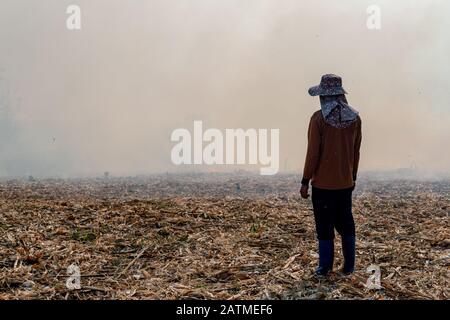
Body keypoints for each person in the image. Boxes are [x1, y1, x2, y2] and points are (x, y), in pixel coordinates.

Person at [300, 74, 362, 276]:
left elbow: (313, 153)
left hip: (323, 186)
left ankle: (324, 268)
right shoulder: (355, 119)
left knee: (324, 227)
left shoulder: (319, 119)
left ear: (324, 97)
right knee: (346, 223)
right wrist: (352, 176)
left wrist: (305, 180)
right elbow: (355, 151)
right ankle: (349, 267)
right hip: (345, 184)